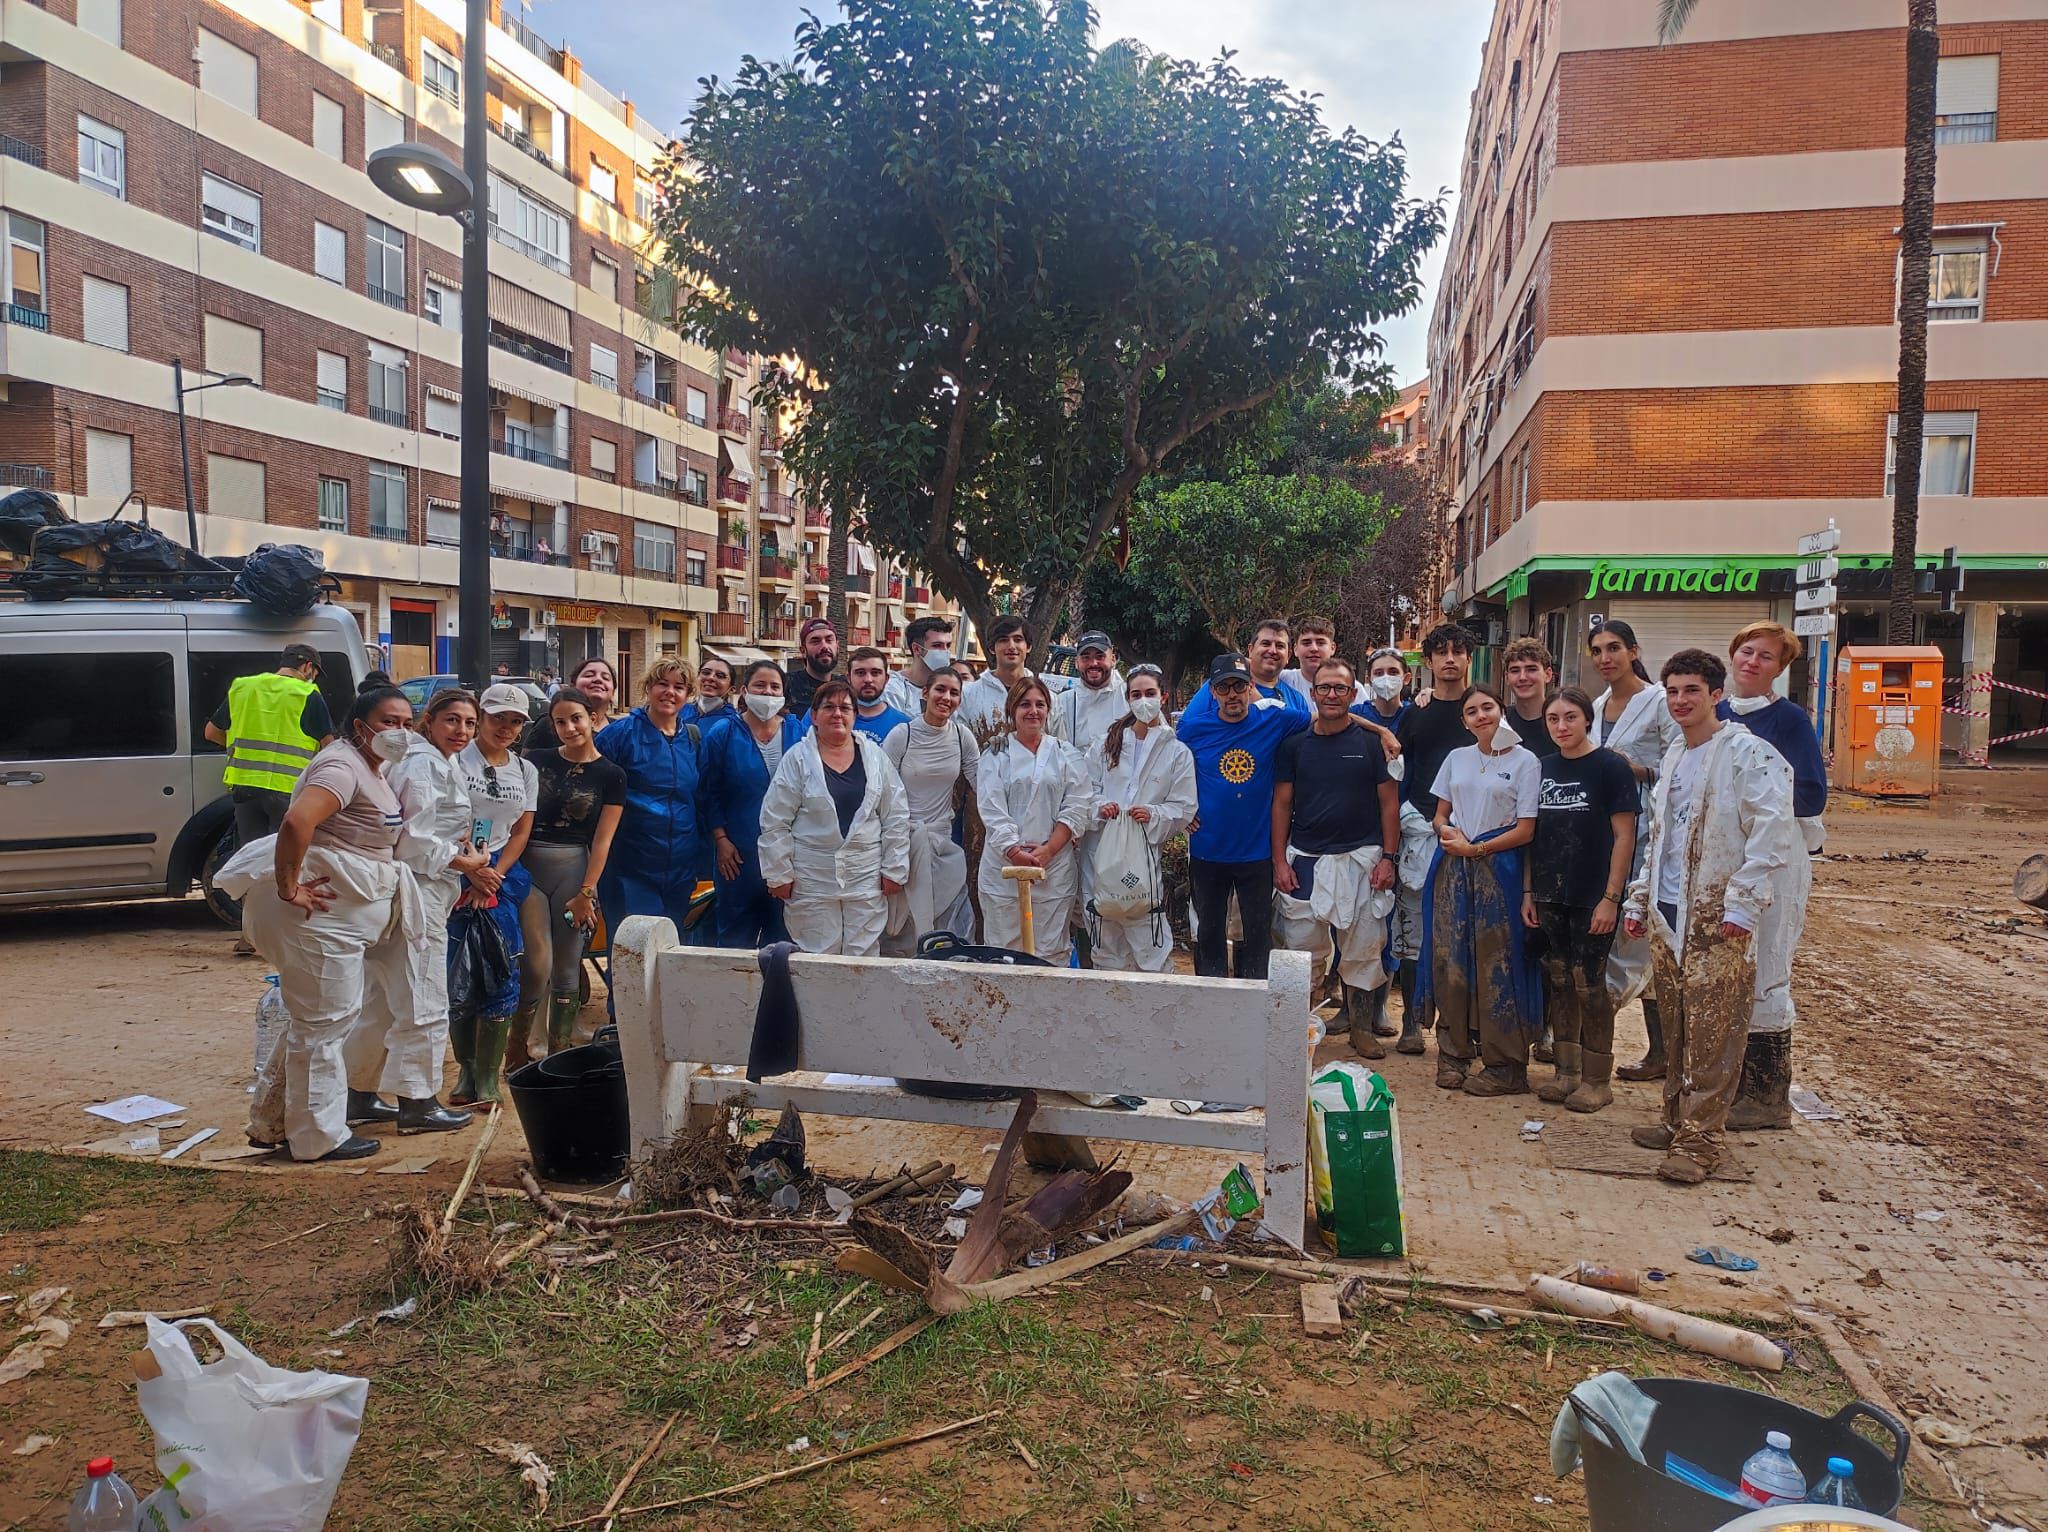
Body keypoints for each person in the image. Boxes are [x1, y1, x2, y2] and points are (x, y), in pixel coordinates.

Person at [1625, 649, 1797, 1184]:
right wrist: (1640, 897)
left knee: (1716, 1028)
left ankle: (1701, 1142)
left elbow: (1771, 834)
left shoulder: (1748, 754)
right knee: (1676, 1018)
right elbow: (1662, 838)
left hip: (1719, 910)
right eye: (1672, 691)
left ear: (1716, 694)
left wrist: (1744, 903)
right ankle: (1676, 1117)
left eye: (1691, 691)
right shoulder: (1676, 756)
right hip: (1668, 909)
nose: (1680, 701)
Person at [229, 687, 418, 1161]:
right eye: (389, 721)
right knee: (323, 1025)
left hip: (340, 921)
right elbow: (297, 822)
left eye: (406, 722)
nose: (399, 732)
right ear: (361, 726)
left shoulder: (371, 768)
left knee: (318, 1020)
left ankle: (275, 1124)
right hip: (319, 920)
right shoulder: (341, 767)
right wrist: (289, 886)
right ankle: (317, 1138)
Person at [343, 689, 484, 1134]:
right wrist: (462, 861)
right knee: (423, 995)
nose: (461, 731)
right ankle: (418, 1100)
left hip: (421, 887)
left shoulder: (445, 762)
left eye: (469, 723)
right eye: (452, 721)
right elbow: (413, 838)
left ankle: (357, 1092)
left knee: (383, 1000)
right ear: (431, 721)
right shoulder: (422, 763)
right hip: (417, 890)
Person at [1717, 621, 1827, 1130]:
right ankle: (1726, 1083)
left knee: (1767, 969)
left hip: (1777, 864)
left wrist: (1754, 806)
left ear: (1779, 669)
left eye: (1765, 657)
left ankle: (1765, 1095)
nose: (1751, 662)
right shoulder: (1716, 714)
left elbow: (1810, 795)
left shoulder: (1789, 721)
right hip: (1723, 861)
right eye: (1746, 652)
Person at [1271, 657, 1400, 1051]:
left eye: (1340, 688)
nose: (1331, 694)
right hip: (1306, 861)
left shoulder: (1369, 745)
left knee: (1364, 947)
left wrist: (1388, 859)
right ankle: (1300, 1035)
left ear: (1351, 692)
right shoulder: (1294, 746)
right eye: (1324, 687)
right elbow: (1281, 805)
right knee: (1301, 952)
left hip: (1362, 859)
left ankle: (1361, 1029)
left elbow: (1389, 804)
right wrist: (1279, 861)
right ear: (1313, 693)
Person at [1420, 683, 1543, 1096]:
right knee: (1450, 958)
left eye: (1487, 707)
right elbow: (1439, 813)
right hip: (1453, 867)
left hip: (1499, 870)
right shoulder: (1457, 758)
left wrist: (1478, 847)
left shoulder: (1526, 762)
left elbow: (1527, 829)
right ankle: (1453, 1053)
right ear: (1464, 721)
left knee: (1498, 962)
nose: (1481, 716)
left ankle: (1505, 1064)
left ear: (1501, 710)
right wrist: (1447, 832)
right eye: (1472, 712)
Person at [1521, 688, 1638, 1112]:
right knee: (1558, 979)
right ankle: (1566, 1073)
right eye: (1553, 719)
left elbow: (1625, 836)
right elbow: (1532, 835)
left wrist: (1611, 897)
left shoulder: (1610, 767)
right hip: (1550, 893)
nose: (1561, 727)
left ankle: (1596, 1079)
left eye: (1570, 717)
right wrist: (1530, 891)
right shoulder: (1543, 768)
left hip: (1593, 895)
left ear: (1587, 720)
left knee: (1590, 983)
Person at [1588, 619, 1684, 1083]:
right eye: (1598, 650)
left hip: (1647, 830)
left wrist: (1639, 771)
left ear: (1633, 650)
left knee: (1643, 937)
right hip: (1604, 831)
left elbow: (1680, 761)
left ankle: (1662, 1050)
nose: (1606, 658)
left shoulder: (1659, 703)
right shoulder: (1598, 705)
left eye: (1614, 648)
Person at [1175, 653, 1310, 980]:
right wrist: (1181, 812)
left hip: (1256, 851)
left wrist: (1383, 732)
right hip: (1209, 849)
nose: (1232, 695)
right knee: (1208, 931)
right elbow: (1167, 769)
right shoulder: (1193, 729)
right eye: (1224, 688)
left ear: (1251, 686)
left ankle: (1252, 1003)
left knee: (1256, 933)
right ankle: (1210, 1001)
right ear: (1212, 692)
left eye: (1239, 686)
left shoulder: (1274, 721)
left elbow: (1328, 718)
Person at [759, 679, 911, 955]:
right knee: (817, 958)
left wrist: (894, 869)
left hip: (865, 876)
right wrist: (778, 873)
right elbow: (775, 820)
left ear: (855, 715)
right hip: (812, 879)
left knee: (863, 958)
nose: (838, 714)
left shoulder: (875, 758)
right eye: (829, 707)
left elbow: (895, 816)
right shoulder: (797, 760)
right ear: (814, 716)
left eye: (845, 707)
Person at [514, 689, 625, 1064]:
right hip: (529, 866)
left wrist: (586, 892)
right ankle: (523, 1043)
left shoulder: (611, 775)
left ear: (593, 719)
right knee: (537, 962)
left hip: (575, 868)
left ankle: (558, 1050)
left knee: (566, 965)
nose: (569, 727)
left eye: (576, 718)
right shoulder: (536, 760)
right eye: (560, 721)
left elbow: (604, 839)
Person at [207, 643, 334, 952]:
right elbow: (329, 746)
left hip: (245, 788)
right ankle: (288, 935)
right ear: (307, 667)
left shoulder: (243, 688)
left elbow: (211, 732)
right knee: (289, 863)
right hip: (289, 792)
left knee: (252, 861)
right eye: (314, 673)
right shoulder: (307, 695)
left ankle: (249, 937)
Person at [448, 684, 539, 1105]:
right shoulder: (451, 761)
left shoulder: (524, 771)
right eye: (497, 717)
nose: (505, 727)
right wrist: (470, 872)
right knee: (457, 974)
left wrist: (493, 874)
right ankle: (465, 1073)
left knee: (500, 969)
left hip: (500, 875)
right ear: (480, 717)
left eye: (515, 721)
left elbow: (521, 829)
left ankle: (487, 1076)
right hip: (452, 868)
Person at [1391, 624, 1478, 1053]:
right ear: (1427, 662)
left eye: (1457, 651)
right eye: (1440, 652)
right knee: (1414, 931)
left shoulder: (1483, 709)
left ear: (1468, 658)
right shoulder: (1415, 713)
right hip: (1420, 832)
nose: (1449, 659)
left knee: (1466, 933)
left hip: (1475, 837)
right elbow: (1398, 771)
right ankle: (1411, 1021)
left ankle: (1463, 1029)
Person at [1085, 664, 1196, 972]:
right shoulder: (1107, 743)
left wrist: (1154, 813)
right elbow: (1084, 790)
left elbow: (1184, 806)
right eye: (1136, 694)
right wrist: (1100, 807)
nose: (1143, 700)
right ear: (1127, 699)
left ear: (1163, 697)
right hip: (1103, 853)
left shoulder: (1177, 752)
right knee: (1107, 947)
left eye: (1150, 693)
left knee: (1150, 948)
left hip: (1144, 858)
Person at [976, 676, 1093, 960]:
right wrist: (1014, 850)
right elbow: (991, 808)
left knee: (1051, 950)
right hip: (1004, 868)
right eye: (1025, 704)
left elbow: (1078, 804)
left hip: (1053, 868)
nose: (1033, 711)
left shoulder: (1066, 754)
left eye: (1040, 704)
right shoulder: (995, 754)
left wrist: (1050, 850)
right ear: (1012, 710)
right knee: (1005, 951)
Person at [594, 660, 706, 947]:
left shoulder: (692, 738)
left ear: (688, 694)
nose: (670, 692)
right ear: (648, 688)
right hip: (629, 868)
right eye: (663, 684)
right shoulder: (619, 735)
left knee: (669, 953)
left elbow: (698, 798)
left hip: (680, 868)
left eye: (679, 687)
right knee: (632, 954)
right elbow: (593, 795)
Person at [701, 661, 808, 949]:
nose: (768, 692)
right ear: (745, 691)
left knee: (784, 942)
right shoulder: (722, 733)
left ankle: (776, 996)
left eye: (775, 686)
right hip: (737, 856)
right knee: (735, 940)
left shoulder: (798, 732)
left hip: (790, 856)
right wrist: (721, 839)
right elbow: (708, 792)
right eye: (760, 685)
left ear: (784, 694)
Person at [880, 665, 981, 954]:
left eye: (954, 692)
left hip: (942, 846)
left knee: (952, 923)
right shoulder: (903, 735)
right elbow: (881, 792)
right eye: (940, 689)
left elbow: (985, 788)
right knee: (902, 932)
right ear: (925, 692)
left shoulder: (963, 737)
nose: (946, 697)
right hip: (903, 846)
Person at [961, 615, 1044, 739]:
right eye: (1003, 640)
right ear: (991, 648)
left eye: (1018, 639)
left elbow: (1059, 748)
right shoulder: (968, 695)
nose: (1011, 646)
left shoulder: (1046, 697)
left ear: (1028, 646)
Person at [1052, 630, 1128, 754]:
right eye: (1086, 657)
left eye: (1100, 657)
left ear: (1113, 659)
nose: (1093, 663)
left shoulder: (1130, 697)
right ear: (1077, 663)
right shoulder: (1062, 703)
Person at [525, 657, 620, 750]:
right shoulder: (547, 724)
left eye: (606, 678)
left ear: (613, 691)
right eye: (589, 675)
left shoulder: (621, 731)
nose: (598, 680)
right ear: (573, 685)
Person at [1280, 615, 1369, 707]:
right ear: (1295, 649)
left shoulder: (1351, 687)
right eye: (1306, 643)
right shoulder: (1282, 680)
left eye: (1320, 643)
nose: (1313, 648)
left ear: (1332, 648)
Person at [883, 616, 955, 717]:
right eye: (937, 645)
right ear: (917, 649)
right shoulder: (893, 690)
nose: (945, 651)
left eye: (948, 646)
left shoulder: (952, 689)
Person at [1503, 637, 1562, 758]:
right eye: (1515, 670)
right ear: (1506, 677)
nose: (1523, 677)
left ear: (1548, 674)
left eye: (1531, 669)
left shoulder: (1562, 723)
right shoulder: (1499, 723)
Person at [847, 646, 911, 742]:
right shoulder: (834, 720)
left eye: (875, 673)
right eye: (860, 673)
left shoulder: (905, 725)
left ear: (886, 679)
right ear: (848, 678)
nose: (868, 680)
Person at [784, 617, 839, 714]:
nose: (824, 647)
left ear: (837, 647)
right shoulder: (786, 685)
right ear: (803, 651)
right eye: (815, 641)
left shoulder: (846, 687)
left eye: (829, 640)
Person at [1353, 648, 1412, 735]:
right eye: (1379, 673)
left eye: (1393, 672)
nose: (1386, 678)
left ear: (1406, 678)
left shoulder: (1413, 714)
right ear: (1369, 680)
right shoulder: (1357, 712)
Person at [682, 655, 735, 727]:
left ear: (731, 689)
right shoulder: (678, 711)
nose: (711, 678)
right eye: (706, 673)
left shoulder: (734, 723)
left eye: (720, 676)